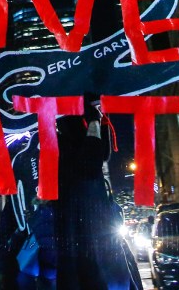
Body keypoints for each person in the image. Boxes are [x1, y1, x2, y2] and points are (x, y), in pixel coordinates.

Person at [55, 96, 134, 290]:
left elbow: (100, 155)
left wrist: (98, 123)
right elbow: (91, 163)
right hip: (85, 239)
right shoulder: (65, 144)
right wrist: (94, 122)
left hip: (90, 236)